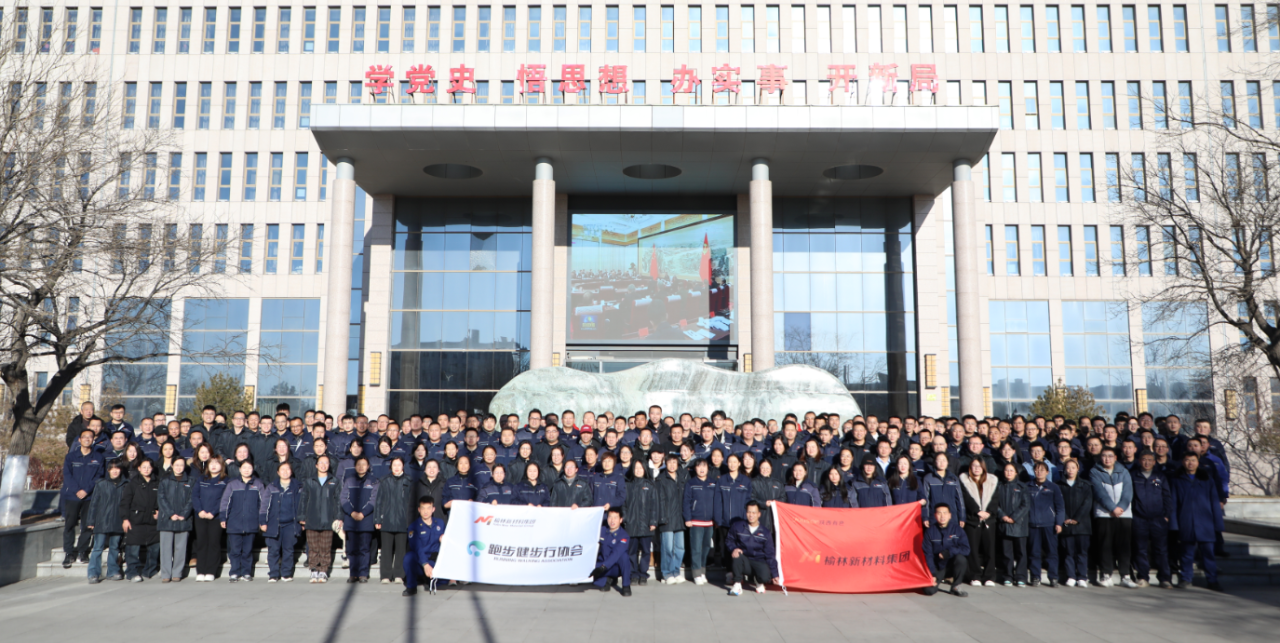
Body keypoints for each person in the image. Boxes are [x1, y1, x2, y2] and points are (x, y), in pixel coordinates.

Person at [1169, 452, 1225, 591]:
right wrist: (1174, 524)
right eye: (1187, 460)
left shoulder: (1207, 479)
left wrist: (1218, 524)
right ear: (1183, 462)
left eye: (1193, 460)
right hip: (1186, 521)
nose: (1190, 463)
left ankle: (1212, 580)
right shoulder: (1177, 480)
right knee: (1186, 554)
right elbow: (1173, 503)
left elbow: (1214, 503)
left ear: (1198, 462)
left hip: (1205, 522)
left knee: (1208, 554)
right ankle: (1185, 578)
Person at [1090, 447, 1136, 588]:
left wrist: (1120, 507)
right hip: (1104, 514)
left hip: (1124, 514)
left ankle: (1125, 576)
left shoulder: (1124, 471)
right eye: (1104, 456)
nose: (1107, 459)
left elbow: (1128, 492)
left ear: (1115, 458)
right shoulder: (1094, 472)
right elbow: (1099, 493)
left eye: (1110, 456)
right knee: (1105, 545)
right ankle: (1106, 574)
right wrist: (1112, 508)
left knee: (1124, 546)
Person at [62, 429, 104, 568]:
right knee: (70, 525)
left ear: (93, 439)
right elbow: (67, 475)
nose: (87, 439)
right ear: (79, 440)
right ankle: (69, 553)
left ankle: (82, 551)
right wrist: (77, 490)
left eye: (90, 437)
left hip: (89, 497)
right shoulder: (71, 457)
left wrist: (86, 490)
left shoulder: (98, 457)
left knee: (87, 525)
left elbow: (99, 476)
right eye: (84, 437)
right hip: (72, 496)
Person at [1131, 449, 1173, 588]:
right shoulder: (1133, 476)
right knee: (1140, 549)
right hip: (1139, 519)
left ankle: (1164, 578)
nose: (1147, 462)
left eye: (1150, 460)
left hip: (1158, 519)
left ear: (1154, 462)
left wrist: (1166, 515)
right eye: (1144, 459)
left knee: (1161, 550)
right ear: (1139, 461)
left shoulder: (1160, 476)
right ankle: (1143, 577)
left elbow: (1167, 497)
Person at [221, 460, 267, 582]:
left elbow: (263, 504)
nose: (246, 470)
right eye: (244, 467)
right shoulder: (232, 484)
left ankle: (246, 572)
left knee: (247, 550)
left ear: (253, 469)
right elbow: (225, 502)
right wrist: (223, 517)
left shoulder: (258, 484)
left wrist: (262, 520)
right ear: (240, 469)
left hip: (251, 522)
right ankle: (234, 572)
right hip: (234, 523)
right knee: (235, 550)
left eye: (249, 467)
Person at [300, 454, 342, 583]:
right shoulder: (309, 481)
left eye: (326, 463)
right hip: (311, 519)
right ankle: (314, 570)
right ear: (316, 465)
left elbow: (338, 501)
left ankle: (323, 570)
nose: (323, 465)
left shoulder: (334, 481)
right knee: (313, 547)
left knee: (325, 547)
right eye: (321, 463)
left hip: (328, 519)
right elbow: (303, 500)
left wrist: (339, 517)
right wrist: (302, 517)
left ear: (329, 465)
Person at [85, 460, 127, 583]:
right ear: (108, 470)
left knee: (114, 547)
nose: (115, 471)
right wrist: (91, 520)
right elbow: (94, 503)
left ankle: (113, 571)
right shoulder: (101, 484)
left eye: (117, 468)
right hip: (102, 520)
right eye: (112, 468)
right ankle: (93, 573)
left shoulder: (125, 484)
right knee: (98, 548)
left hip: (118, 519)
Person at [261, 461, 303, 582]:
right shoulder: (271, 487)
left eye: (287, 469)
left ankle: (286, 573)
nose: (285, 472)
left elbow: (302, 505)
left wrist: (302, 520)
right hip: (274, 523)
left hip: (291, 524)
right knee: (273, 550)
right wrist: (263, 521)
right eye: (282, 470)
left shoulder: (298, 487)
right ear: (278, 472)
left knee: (288, 549)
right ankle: (273, 574)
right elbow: (264, 506)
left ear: (291, 471)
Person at [958, 457, 998, 586]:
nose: (976, 468)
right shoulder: (964, 480)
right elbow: (966, 498)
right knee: (973, 550)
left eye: (979, 466)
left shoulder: (992, 480)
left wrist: (988, 512)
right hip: (972, 519)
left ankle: (989, 576)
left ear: (983, 467)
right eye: (974, 466)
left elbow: (995, 498)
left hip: (989, 520)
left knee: (989, 549)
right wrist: (977, 511)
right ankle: (975, 576)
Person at [374, 458, 414, 584]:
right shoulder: (385, 481)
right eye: (394, 465)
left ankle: (399, 574)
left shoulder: (409, 481)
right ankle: (385, 575)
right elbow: (379, 501)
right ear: (391, 467)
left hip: (403, 520)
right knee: (386, 549)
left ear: (403, 466)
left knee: (401, 550)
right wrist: (377, 519)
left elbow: (412, 503)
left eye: (399, 465)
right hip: (387, 519)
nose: (396, 467)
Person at [725, 501, 779, 596]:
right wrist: (734, 548)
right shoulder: (737, 526)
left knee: (765, 576)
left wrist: (775, 574)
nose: (751, 515)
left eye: (754, 512)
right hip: (744, 560)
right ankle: (737, 584)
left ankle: (758, 581)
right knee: (736, 555)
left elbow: (770, 554)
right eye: (749, 512)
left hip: (759, 561)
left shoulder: (765, 532)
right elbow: (729, 540)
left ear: (759, 514)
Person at [341, 456, 381, 583]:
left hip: (366, 519)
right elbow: (343, 498)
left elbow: (374, 500)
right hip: (351, 519)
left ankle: (363, 574)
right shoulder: (349, 480)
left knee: (364, 548)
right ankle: (353, 573)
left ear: (368, 466)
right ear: (355, 466)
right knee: (352, 549)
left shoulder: (374, 481)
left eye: (364, 464)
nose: (361, 467)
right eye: (359, 464)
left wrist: (363, 513)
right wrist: (352, 512)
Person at [120, 458, 161, 582]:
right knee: (133, 549)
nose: (146, 470)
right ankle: (132, 572)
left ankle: (149, 570)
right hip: (136, 519)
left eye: (149, 467)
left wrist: (160, 511)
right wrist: (125, 519)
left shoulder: (158, 482)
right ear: (139, 468)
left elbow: (163, 500)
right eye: (144, 467)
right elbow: (125, 503)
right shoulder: (133, 483)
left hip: (153, 520)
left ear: (152, 468)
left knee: (154, 548)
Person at [1025, 461, 1065, 587]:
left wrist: (1059, 523)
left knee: (1051, 552)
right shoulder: (1027, 486)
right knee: (1034, 552)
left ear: (1047, 472)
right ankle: (1035, 577)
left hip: (1049, 525)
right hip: (1033, 525)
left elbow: (1060, 507)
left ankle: (1053, 577)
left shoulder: (1053, 487)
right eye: (1037, 469)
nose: (1039, 472)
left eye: (1042, 470)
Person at [156, 457, 194, 582]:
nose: (179, 467)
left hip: (183, 519)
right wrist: (171, 514)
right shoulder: (165, 481)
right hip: (167, 519)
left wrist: (184, 514)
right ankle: (166, 574)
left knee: (180, 548)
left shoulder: (190, 481)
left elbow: (191, 499)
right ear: (172, 466)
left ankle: (177, 572)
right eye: (176, 465)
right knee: (165, 548)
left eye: (181, 465)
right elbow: (161, 498)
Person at [921, 503, 970, 597]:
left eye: (945, 513)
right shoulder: (930, 531)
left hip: (952, 565)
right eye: (939, 513)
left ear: (950, 515)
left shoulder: (957, 530)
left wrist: (949, 552)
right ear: (935, 515)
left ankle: (956, 586)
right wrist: (932, 574)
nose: (942, 516)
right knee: (929, 591)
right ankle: (936, 579)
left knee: (961, 559)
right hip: (938, 566)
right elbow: (928, 554)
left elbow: (966, 549)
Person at [192, 457, 228, 581]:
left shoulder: (225, 481)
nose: (213, 465)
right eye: (211, 463)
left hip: (215, 517)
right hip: (200, 516)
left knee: (214, 543)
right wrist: (200, 510)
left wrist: (213, 512)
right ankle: (200, 571)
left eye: (217, 463)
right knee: (201, 543)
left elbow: (224, 499)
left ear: (222, 466)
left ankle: (211, 571)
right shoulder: (201, 479)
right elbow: (195, 496)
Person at [622, 460, 658, 586]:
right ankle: (633, 574)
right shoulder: (627, 485)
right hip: (631, 523)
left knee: (646, 551)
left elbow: (654, 505)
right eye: (636, 468)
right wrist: (625, 518)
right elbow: (623, 504)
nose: (638, 470)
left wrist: (653, 521)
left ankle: (643, 574)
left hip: (646, 524)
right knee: (631, 551)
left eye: (640, 468)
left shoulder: (650, 485)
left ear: (645, 469)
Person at [1058, 458, 1092, 588]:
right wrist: (1065, 518)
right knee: (1068, 552)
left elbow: (1087, 503)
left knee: (1082, 552)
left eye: (1073, 467)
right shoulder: (1059, 485)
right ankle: (1071, 576)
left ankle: (1082, 577)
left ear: (1078, 469)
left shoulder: (1085, 485)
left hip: (1082, 525)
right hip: (1066, 524)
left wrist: (1077, 518)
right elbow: (1058, 504)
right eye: (1068, 467)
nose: (1070, 470)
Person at [402, 496, 446, 596]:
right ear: (419, 509)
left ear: (433, 509)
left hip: (435, 560)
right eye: (423, 508)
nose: (426, 511)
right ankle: (411, 587)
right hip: (421, 561)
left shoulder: (440, 523)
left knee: (443, 581)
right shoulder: (413, 527)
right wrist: (425, 564)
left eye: (428, 508)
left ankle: (428, 580)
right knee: (409, 557)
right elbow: (417, 548)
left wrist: (444, 540)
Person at [683, 458, 716, 585]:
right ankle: (696, 573)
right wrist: (688, 518)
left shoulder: (713, 483)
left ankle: (702, 571)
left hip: (710, 522)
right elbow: (686, 502)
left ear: (708, 468)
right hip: (695, 521)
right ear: (695, 468)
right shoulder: (691, 483)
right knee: (696, 548)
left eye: (704, 466)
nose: (702, 469)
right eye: (699, 466)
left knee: (706, 547)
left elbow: (717, 502)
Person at [995, 462, 1029, 587]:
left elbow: (1025, 504)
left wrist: (1014, 517)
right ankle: (1008, 576)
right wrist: (1002, 516)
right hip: (1004, 523)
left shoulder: (1022, 487)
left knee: (1021, 553)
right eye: (1006, 470)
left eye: (1011, 470)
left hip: (1019, 524)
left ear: (1016, 473)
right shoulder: (999, 486)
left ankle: (1021, 577)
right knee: (1006, 553)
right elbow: (995, 504)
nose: (1008, 472)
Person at [656, 454, 688, 584]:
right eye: (670, 462)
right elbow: (659, 500)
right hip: (667, 518)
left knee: (680, 547)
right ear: (665, 463)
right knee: (667, 548)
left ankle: (676, 571)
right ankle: (667, 573)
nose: (672, 465)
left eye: (675, 462)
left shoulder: (682, 477)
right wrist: (662, 517)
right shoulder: (661, 479)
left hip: (680, 518)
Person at [590, 507, 632, 596]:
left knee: (624, 556)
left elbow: (616, 553)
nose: (612, 520)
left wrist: (603, 567)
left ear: (620, 520)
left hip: (614, 567)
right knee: (592, 577)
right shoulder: (601, 530)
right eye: (610, 517)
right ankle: (608, 580)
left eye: (615, 517)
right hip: (602, 563)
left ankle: (626, 585)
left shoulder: (624, 536)